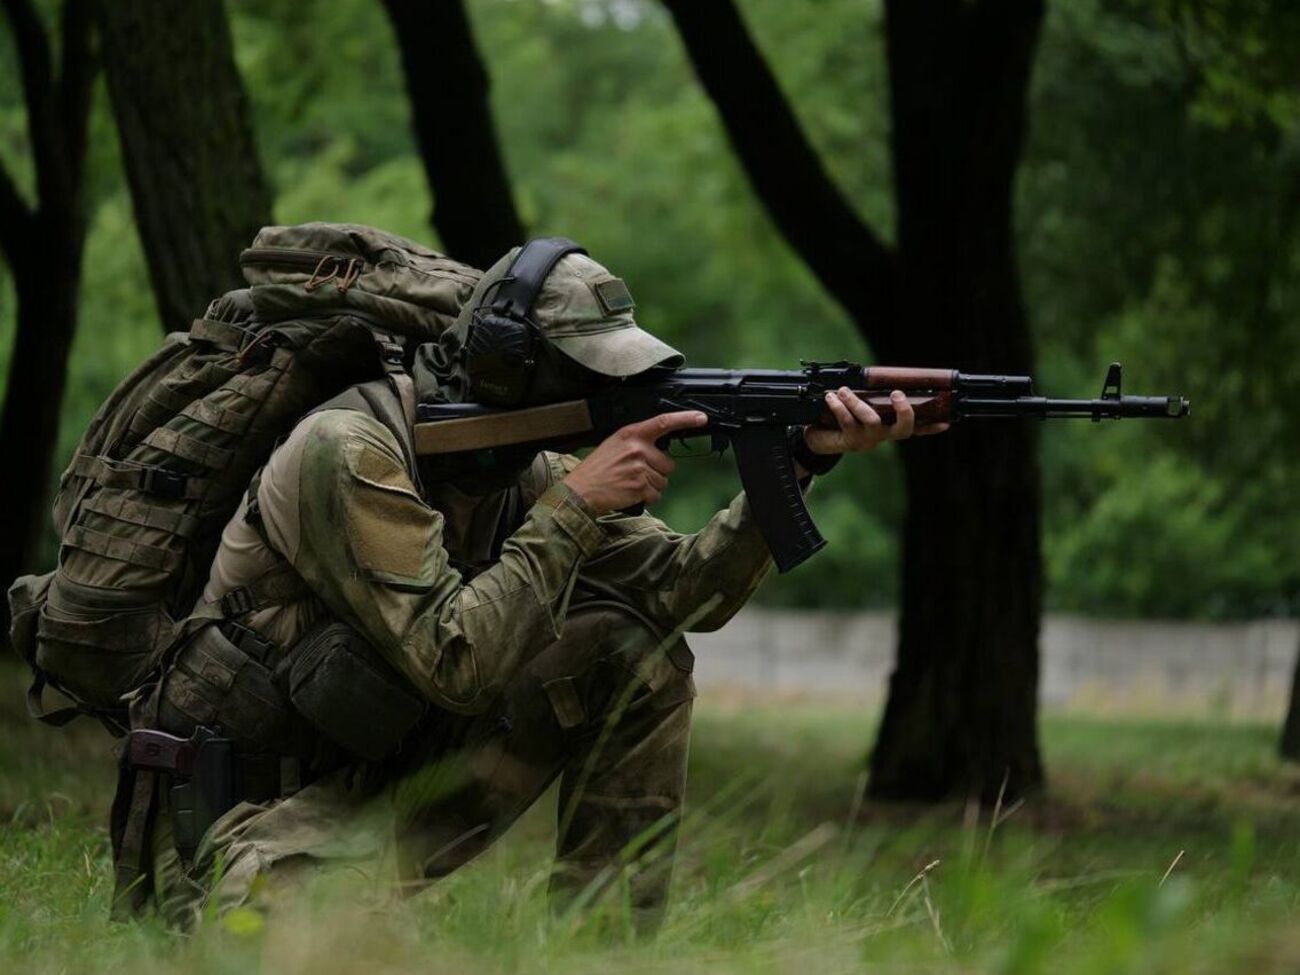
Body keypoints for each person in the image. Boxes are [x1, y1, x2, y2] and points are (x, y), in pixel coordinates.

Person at [142, 239, 947, 931]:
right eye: (587, 374)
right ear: (504, 371)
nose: (606, 399)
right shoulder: (349, 451)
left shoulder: (526, 471)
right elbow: (453, 658)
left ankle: (601, 949)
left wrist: (801, 460)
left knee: (636, 658)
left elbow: (682, 595)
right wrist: (578, 504)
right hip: (239, 829)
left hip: (372, 793)